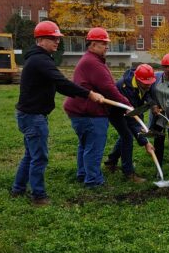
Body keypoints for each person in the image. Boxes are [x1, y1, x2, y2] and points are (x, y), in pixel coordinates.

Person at [11, 21, 103, 206]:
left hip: (28, 115)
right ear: (41, 40)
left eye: (58, 38)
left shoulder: (39, 58)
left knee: (30, 154)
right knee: (39, 157)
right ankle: (38, 196)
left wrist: (81, 96)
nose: (57, 42)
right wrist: (89, 94)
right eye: (53, 38)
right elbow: (61, 82)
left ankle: (18, 189)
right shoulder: (40, 60)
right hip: (33, 117)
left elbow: (59, 86)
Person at [63, 27, 130, 188]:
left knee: (85, 145)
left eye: (107, 43)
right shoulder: (93, 63)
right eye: (103, 43)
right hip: (89, 113)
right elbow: (109, 89)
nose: (107, 46)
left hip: (79, 112)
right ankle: (93, 181)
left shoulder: (90, 60)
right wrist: (127, 105)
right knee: (94, 147)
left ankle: (83, 174)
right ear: (92, 45)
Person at [104, 64, 156, 182]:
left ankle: (110, 162)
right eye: (146, 83)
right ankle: (128, 172)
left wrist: (152, 104)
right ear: (137, 79)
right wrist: (145, 143)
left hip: (132, 110)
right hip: (116, 112)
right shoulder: (125, 88)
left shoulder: (143, 84)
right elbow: (133, 121)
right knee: (127, 137)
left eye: (150, 83)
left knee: (125, 136)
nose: (149, 86)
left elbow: (146, 94)